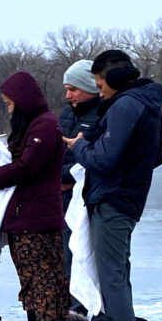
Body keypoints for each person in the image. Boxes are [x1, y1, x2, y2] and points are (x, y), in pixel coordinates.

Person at [64, 50, 162, 321]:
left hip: (112, 201)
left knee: (113, 279)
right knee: (119, 275)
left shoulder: (125, 105)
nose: (100, 91)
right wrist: (131, 168)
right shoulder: (148, 102)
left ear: (113, 78)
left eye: (99, 84)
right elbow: (158, 155)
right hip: (129, 199)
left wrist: (79, 147)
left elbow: (103, 160)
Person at [0, 71, 69, 321]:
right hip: (25, 215)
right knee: (29, 280)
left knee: (41, 278)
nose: (9, 109)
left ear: (22, 101)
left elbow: (28, 166)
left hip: (37, 217)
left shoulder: (44, 125)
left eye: (10, 103)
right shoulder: (34, 124)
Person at [58, 60, 102, 303]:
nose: (68, 95)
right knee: (63, 259)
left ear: (90, 87)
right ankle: (69, 312)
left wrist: (67, 178)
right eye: (66, 89)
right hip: (60, 198)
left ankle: (86, 311)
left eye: (73, 89)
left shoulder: (103, 115)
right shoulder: (67, 114)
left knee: (83, 258)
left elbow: (97, 160)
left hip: (86, 199)